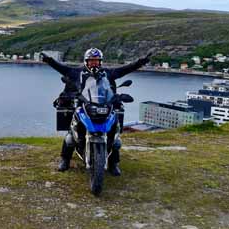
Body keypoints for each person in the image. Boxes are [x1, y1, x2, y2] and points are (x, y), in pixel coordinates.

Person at [41, 48, 151, 176]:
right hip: (84, 106)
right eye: (91, 60)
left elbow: (125, 69)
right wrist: (49, 60)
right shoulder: (77, 72)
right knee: (72, 134)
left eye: (96, 61)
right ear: (86, 61)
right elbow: (62, 68)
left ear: (100, 62)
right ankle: (65, 159)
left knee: (113, 134)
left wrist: (141, 62)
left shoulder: (108, 73)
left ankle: (113, 163)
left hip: (105, 105)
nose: (94, 63)